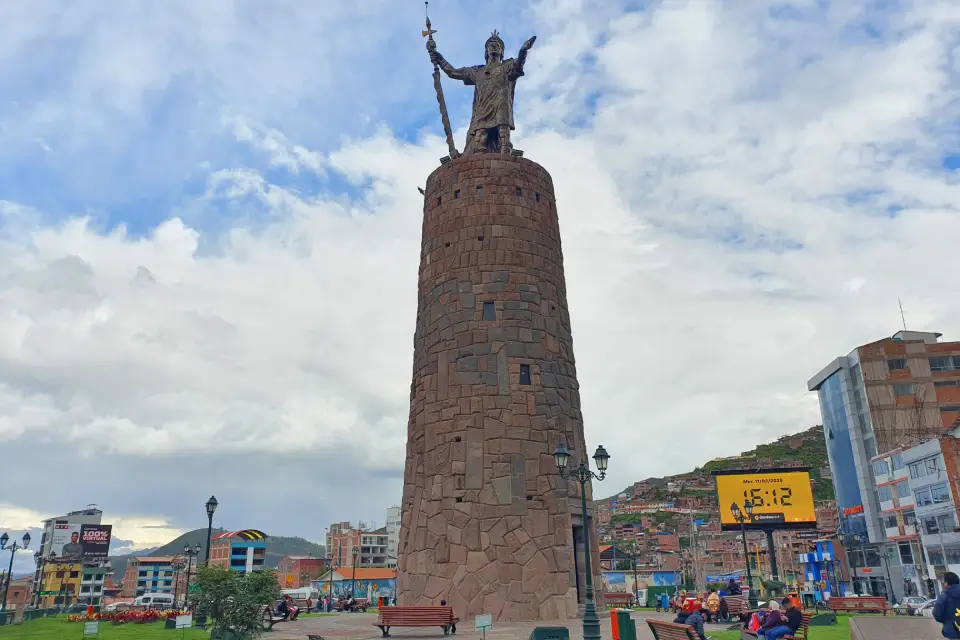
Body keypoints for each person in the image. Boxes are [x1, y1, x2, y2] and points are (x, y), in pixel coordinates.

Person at [934, 571, 960, 638]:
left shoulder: (943, 597)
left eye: (944, 581)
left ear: (947, 583)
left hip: (953, 632)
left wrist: (947, 621)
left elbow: (937, 615)